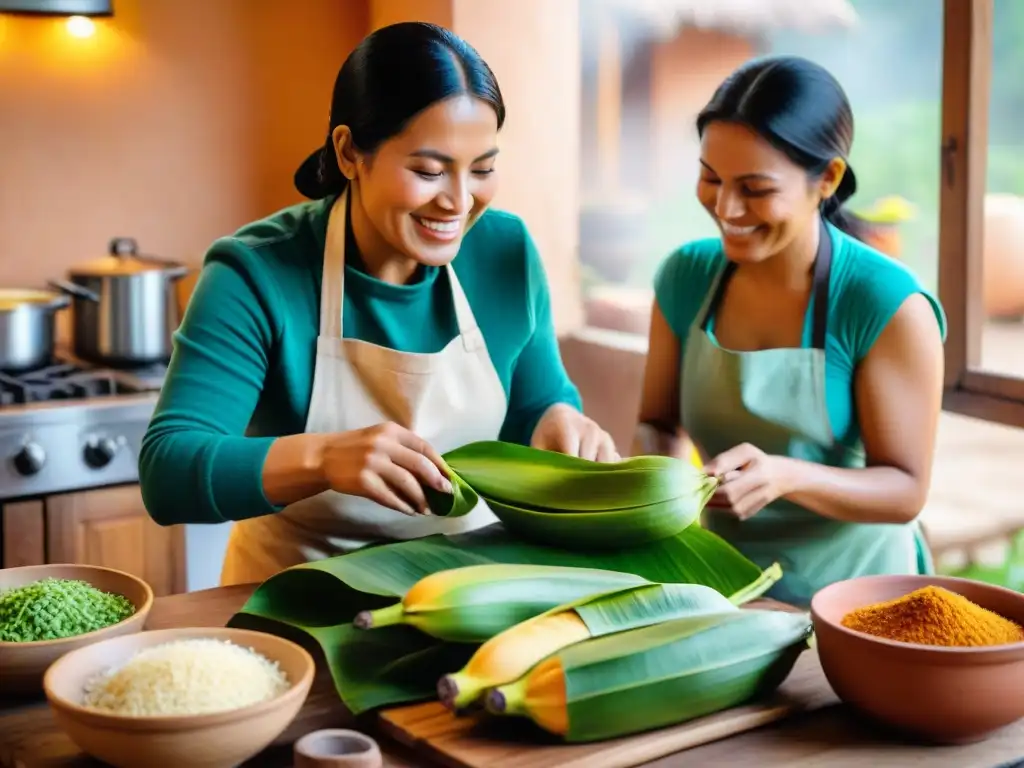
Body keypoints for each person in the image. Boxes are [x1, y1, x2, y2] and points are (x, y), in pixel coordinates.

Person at [139, 22, 617, 587]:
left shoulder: (505, 251)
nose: (460, 202)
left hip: (466, 595)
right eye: (429, 171)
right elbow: (168, 470)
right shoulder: (257, 271)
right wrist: (323, 459)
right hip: (297, 598)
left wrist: (558, 422)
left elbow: (536, 401)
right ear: (348, 153)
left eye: (483, 169)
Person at [635, 56, 946, 607]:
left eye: (754, 189)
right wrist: (650, 485)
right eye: (711, 178)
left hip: (859, 603)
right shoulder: (686, 277)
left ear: (826, 178)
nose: (726, 207)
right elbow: (657, 423)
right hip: (721, 589)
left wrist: (787, 477)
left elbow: (905, 490)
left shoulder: (883, 303)